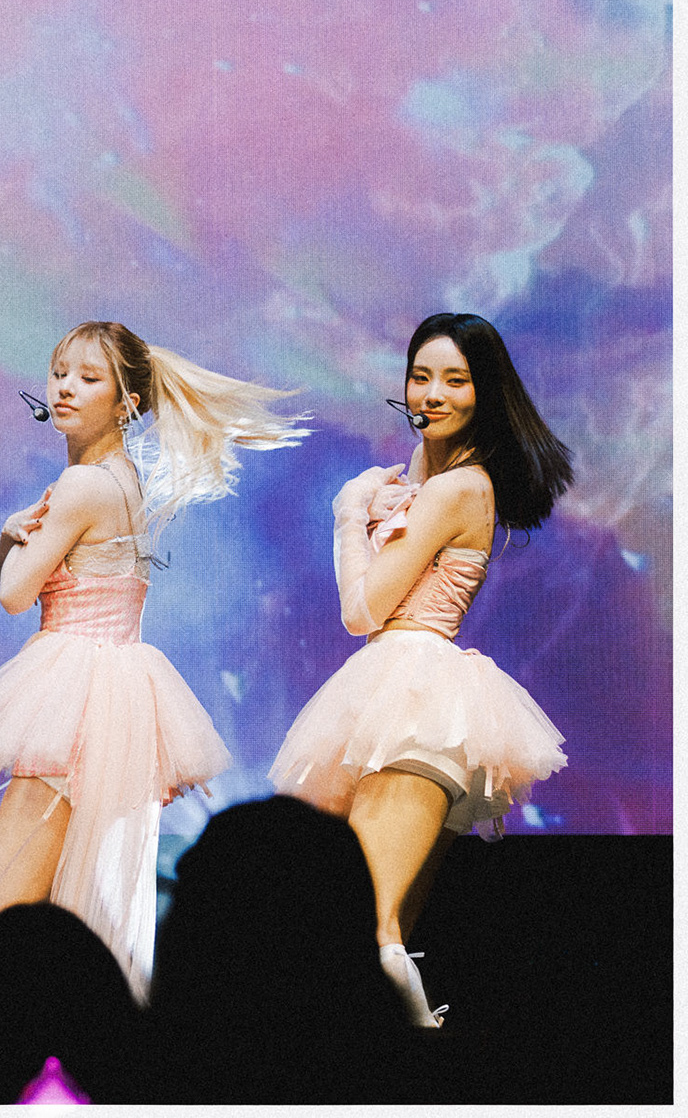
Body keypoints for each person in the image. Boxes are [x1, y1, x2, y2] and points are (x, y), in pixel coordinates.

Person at [0, 320, 306, 998]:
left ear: (126, 402)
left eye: (88, 378)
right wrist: (13, 542)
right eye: (60, 373)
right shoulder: (122, 478)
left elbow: (15, 595)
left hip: (72, 699)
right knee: (69, 903)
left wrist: (8, 537)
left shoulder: (82, 486)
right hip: (109, 696)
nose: (65, 389)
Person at [270, 312, 571, 1027]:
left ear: (483, 393)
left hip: (415, 697)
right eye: (420, 376)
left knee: (371, 934)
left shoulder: (459, 488)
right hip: (391, 689)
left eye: (455, 380)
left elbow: (362, 611)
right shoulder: (423, 475)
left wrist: (348, 516)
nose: (431, 394)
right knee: (360, 933)